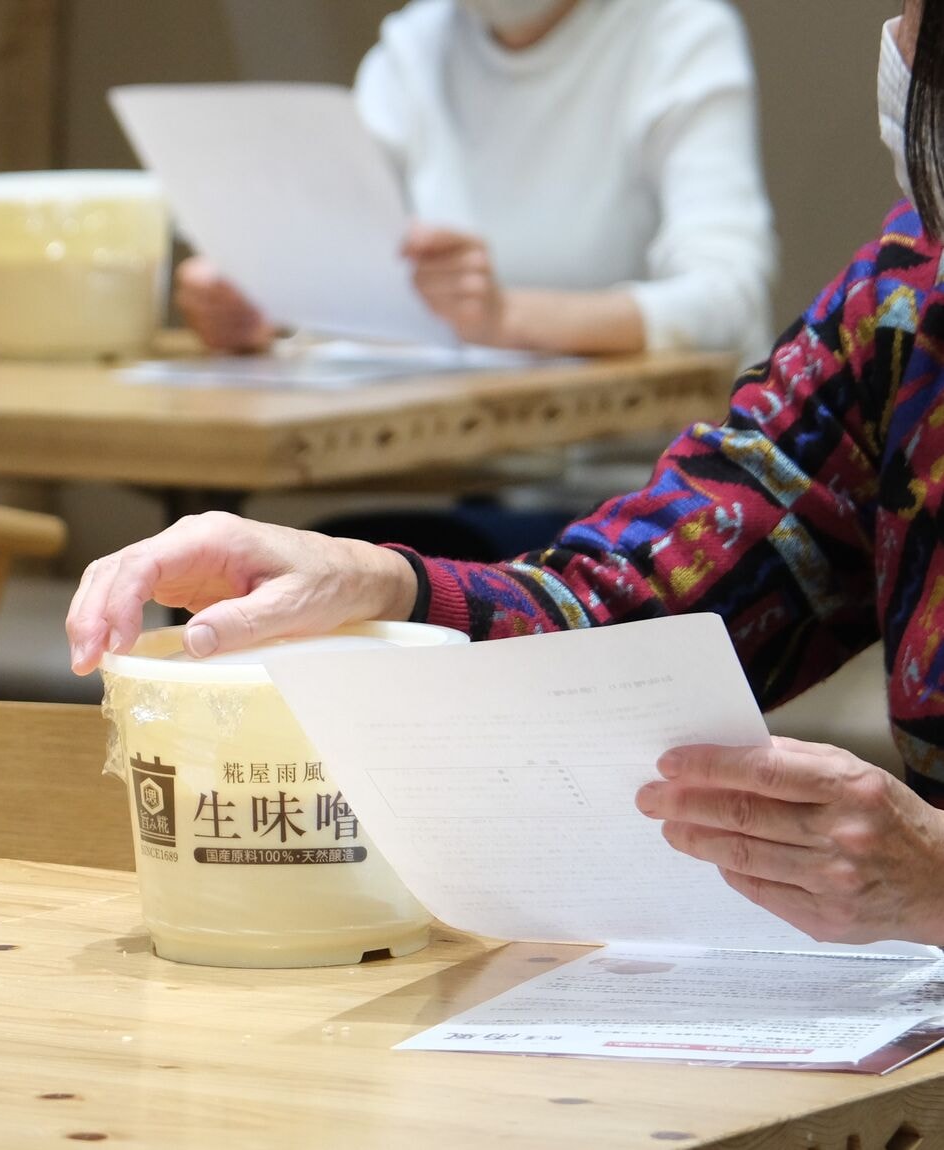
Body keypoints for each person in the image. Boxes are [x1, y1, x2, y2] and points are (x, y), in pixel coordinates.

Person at [70, 0, 944, 948]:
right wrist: (373, 579)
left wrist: (934, 874)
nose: (893, 36)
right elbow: (637, 603)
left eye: (909, 8)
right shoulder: (903, 306)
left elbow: (716, 292)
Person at [177, 0, 776, 367]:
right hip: (464, 477)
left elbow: (728, 296)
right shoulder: (417, 43)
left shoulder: (679, 33)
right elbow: (340, 242)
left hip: (638, 503)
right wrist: (263, 298)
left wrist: (507, 319)